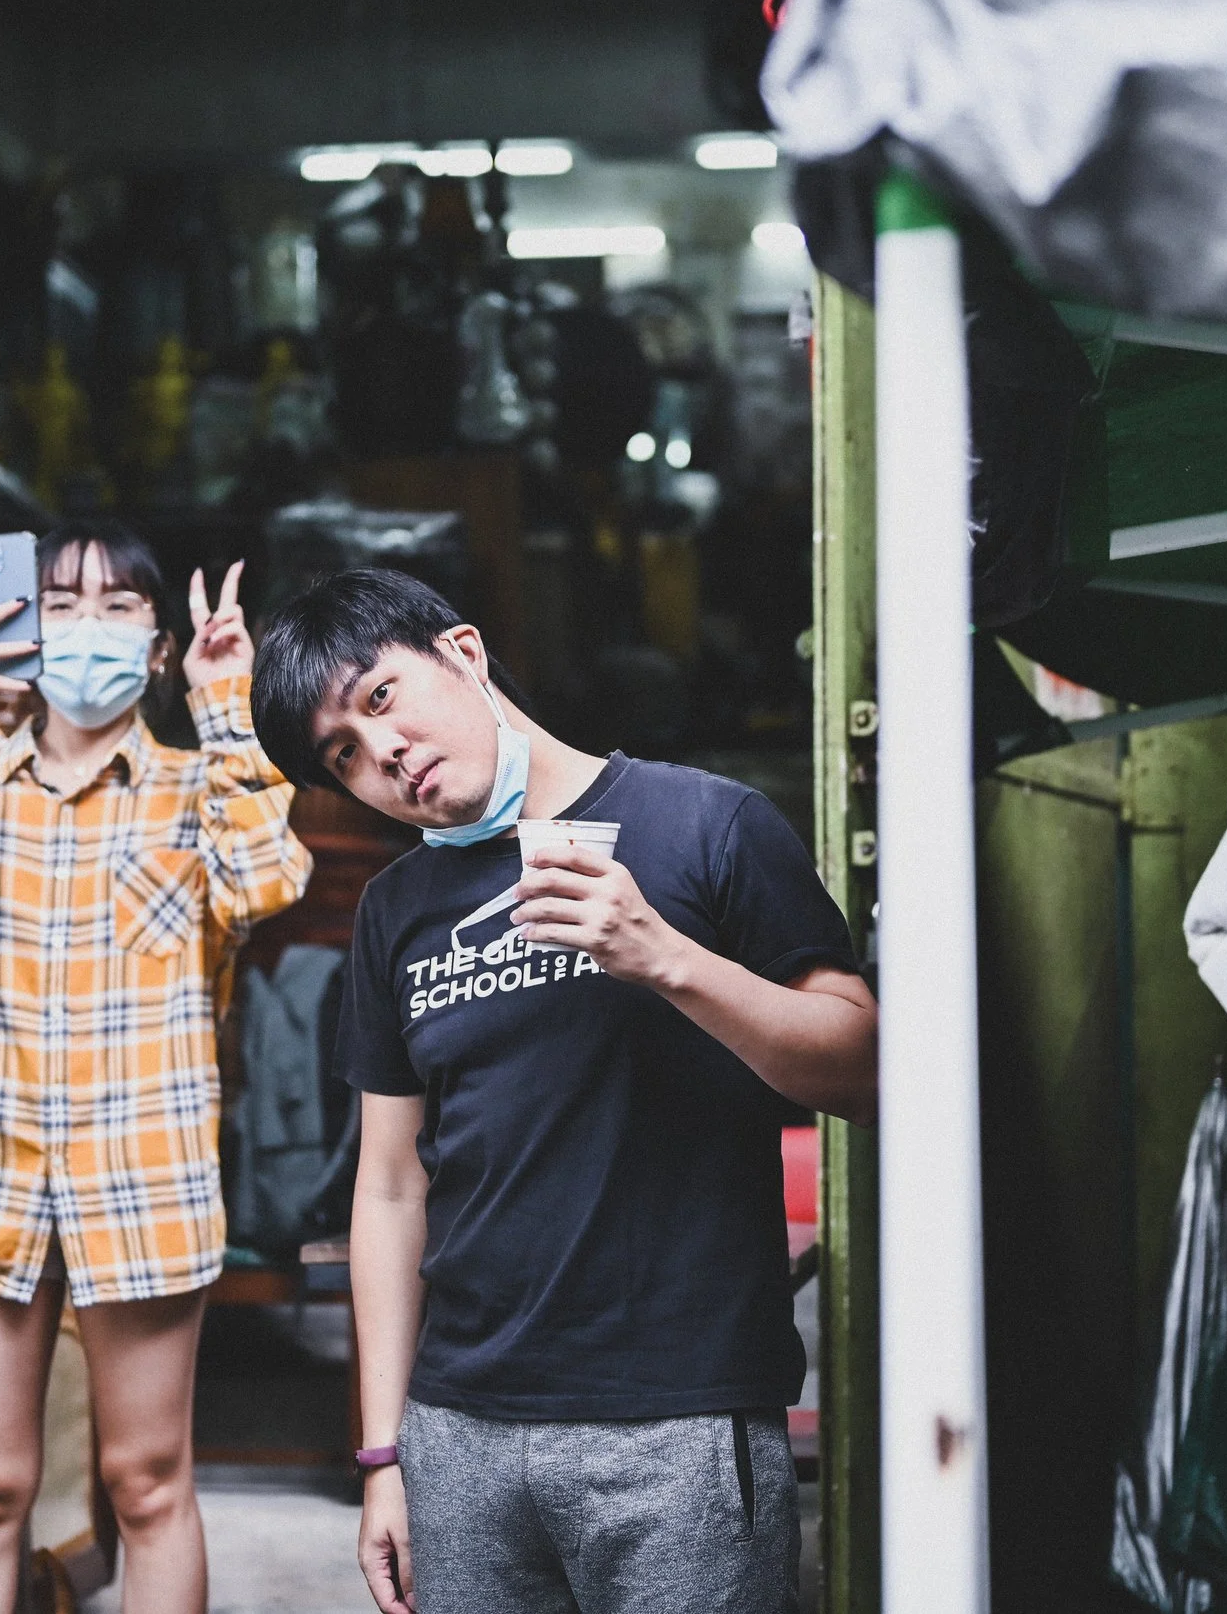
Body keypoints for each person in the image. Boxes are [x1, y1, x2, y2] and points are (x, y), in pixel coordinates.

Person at [251, 569, 878, 1614]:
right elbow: (391, 1187)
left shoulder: (705, 823)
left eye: (379, 698)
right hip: (459, 1433)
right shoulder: (395, 909)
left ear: (462, 652)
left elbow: (863, 1068)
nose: (382, 752)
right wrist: (384, 1453)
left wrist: (666, 958)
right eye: (343, 755)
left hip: (678, 1424)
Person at [0, 523, 310, 1614]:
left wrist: (224, 703)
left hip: (142, 1181)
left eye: (119, 605)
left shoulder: (197, 787)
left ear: (158, 646)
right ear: (22, 630)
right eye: (59, 602)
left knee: (148, 1485)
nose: (88, 625)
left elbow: (263, 886)